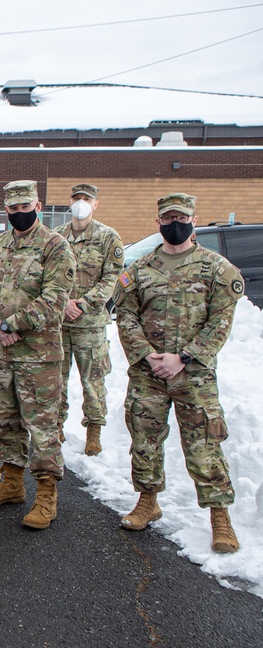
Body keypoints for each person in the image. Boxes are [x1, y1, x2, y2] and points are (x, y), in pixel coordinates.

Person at [113, 193, 243, 553]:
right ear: (158, 223)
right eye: (168, 218)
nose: (175, 224)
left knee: (204, 444)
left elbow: (220, 322)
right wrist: (147, 355)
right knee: (144, 440)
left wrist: (184, 357)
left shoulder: (216, 269)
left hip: (194, 375)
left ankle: (220, 517)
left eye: (181, 218)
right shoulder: (138, 270)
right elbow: (125, 317)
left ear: (194, 220)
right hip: (148, 374)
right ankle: (148, 500)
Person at [0, 180, 76, 530]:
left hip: (39, 357)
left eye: (24, 206)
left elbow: (55, 298)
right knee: (4, 422)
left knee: (42, 427)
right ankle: (12, 483)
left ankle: (46, 496)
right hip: (2, 355)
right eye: (12, 208)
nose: (18, 213)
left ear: (38, 205)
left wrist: (12, 323)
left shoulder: (55, 246)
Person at [54, 184, 124, 455]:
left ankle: (93, 431)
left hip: (90, 324)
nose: (81, 203)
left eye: (86, 199)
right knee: (55, 379)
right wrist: (63, 304)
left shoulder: (108, 237)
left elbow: (111, 278)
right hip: (59, 322)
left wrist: (82, 304)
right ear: (69, 202)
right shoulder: (57, 236)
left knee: (93, 381)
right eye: (76, 198)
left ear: (96, 204)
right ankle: (56, 425)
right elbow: (48, 276)